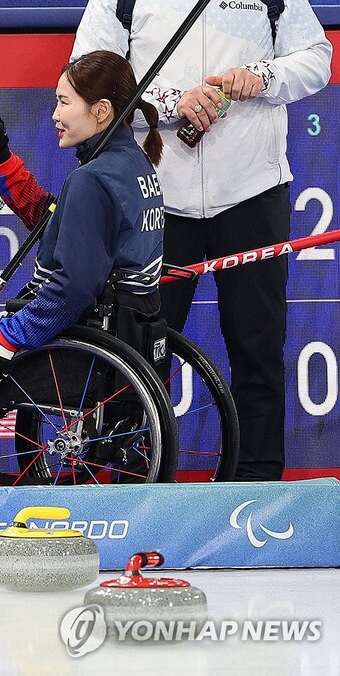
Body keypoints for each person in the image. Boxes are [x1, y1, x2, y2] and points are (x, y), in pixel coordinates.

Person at [71, 0, 332, 481]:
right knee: (138, 356)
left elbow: (317, 57)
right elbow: (87, 78)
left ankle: (257, 496)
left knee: (258, 352)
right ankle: (136, 493)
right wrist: (169, 103)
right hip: (152, 195)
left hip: (254, 192)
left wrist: (265, 77)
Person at [0, 51, 165, 401]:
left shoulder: (92, 178)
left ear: (101, 111)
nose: (55, 115)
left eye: (63, 102)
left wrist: (9, 338)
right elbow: (55, 222)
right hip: (129, 332)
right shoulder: (134, 164)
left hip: (84, 340)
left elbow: (73, 289)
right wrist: (0, 155)